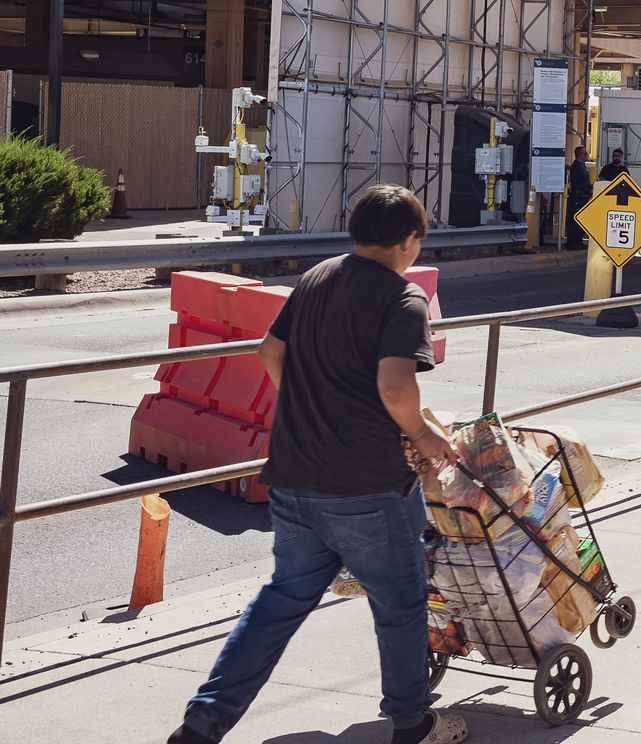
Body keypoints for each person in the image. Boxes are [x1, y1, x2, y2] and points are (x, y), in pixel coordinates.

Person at [170, 185, 469, 744]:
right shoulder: (402, 299)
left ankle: (200, 726)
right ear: (408, 241)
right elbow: (394, 384)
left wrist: (309, 407)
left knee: (281, 600)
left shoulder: (317, 277)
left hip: (294, 472)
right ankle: (412, 724)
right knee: (401, 603)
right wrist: (425, 435)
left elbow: (269, 351)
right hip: (367, 485)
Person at [565, 145, 592, 250]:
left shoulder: (581, 166)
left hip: (581, 197)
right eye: (585, 153)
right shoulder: (577, 167)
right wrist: (588, 187)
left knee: (578, 220)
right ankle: (574, 242)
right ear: (581, 154)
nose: (587, 155)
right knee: (576, 220)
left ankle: (577, 240)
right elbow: (578, 183)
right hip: (578, 197)